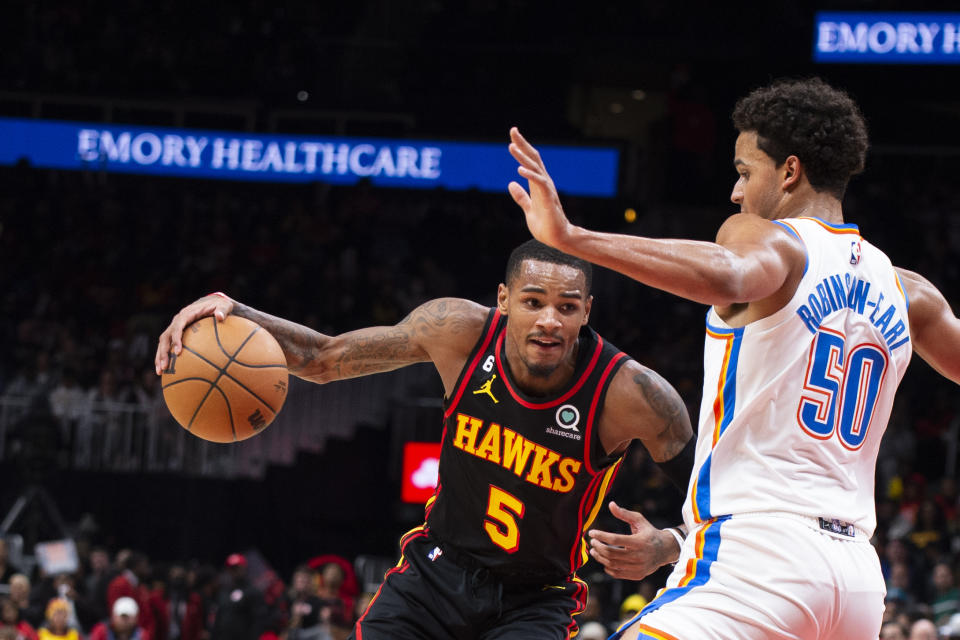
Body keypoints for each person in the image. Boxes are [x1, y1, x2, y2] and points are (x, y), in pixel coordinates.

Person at [507, 76, 960, 639]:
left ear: (789, 171)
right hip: (857, 581)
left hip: (757, 567)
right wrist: (677, 542)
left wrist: (573, 238)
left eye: (746, 171)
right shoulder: (909, 291)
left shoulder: (772, 242)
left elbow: (731, 272)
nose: (735, 192)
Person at [154, 239, 695, 639]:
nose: (549, 320)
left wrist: (669, 544)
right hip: (436, 572)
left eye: (567, 307)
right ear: (504, 299)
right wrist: (234, 309)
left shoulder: (633, 395)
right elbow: (322, 359)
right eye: (533, 302)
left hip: (537, 598)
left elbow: (731, 499)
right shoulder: (458, 331)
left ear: (588, 312)